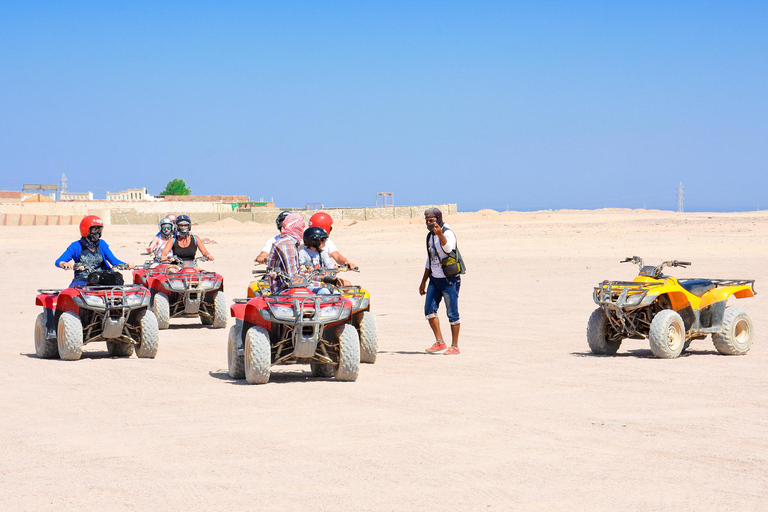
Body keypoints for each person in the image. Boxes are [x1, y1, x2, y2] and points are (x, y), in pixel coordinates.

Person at [419, 207, 462, 355]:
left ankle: (455, 346)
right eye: (427, 221)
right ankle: (440, 342)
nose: (429, 224)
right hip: (434, 279)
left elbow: (449, 248)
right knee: (429, 310)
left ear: (439, 219)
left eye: (431, 221)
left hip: (449, 280)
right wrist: (423, 281)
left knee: (452, 313)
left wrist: (440, 235)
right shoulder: (430, 236)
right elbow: (429, 259)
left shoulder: (448, 232)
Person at [55, 215, 131, 287]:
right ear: (86, 230)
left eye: (99, 229)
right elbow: (59, 261)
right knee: (73, 293)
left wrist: (127, 265)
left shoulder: (102, 244)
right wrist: (64, 264)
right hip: (82, 278)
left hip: (101, 277)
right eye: (95, 229)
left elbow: (113, 260)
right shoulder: (76, 246)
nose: (97, 233)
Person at [266, 213, 305, 293]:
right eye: (302, 226)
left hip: (291, 288)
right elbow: (293, 277)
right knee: (324, 292)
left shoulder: (292, 243)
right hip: (283, 291)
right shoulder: (287, 244)